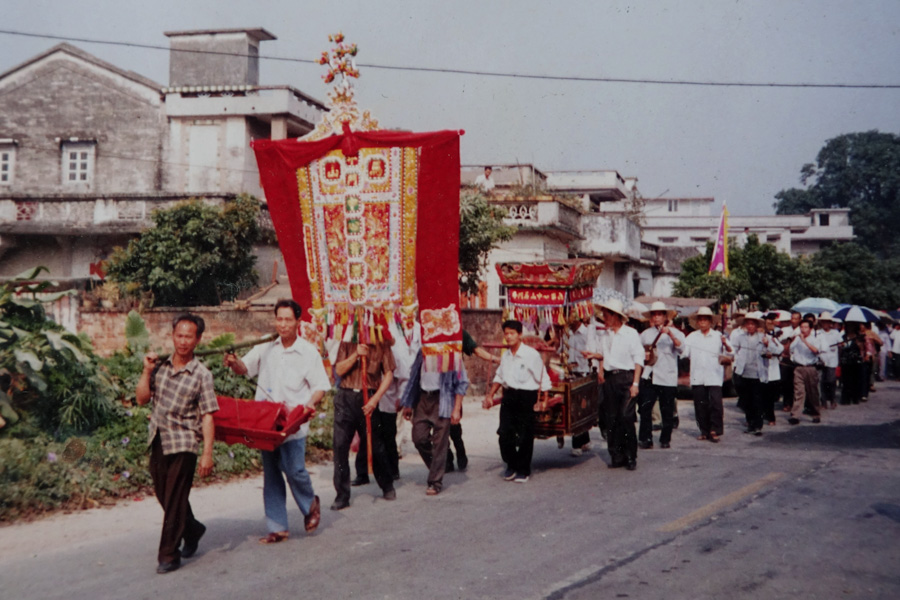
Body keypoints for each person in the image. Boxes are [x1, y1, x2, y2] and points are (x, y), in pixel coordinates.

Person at [223, 299, 331, 544]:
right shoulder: (265, 347)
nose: (282, 325)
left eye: (288, 320)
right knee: (271, 473)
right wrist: (234, 362)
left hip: (293, 423)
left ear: (297, 322)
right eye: (279, 319)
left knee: (295, 469)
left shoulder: (307, 352)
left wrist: (311, 403)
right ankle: (277, 526)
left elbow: (320, 386)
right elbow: (244, 368)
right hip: (266, 422)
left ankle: (310, 503)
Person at [136, 314, 218, 574]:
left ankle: (169, 554)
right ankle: (192, 529)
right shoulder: (159, 367)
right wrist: (146, 371)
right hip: (159, 438)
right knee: (165, 494)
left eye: (189, 336)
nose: (183, 341)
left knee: (173, 498)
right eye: (179, 335)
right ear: (172, 336)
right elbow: (141, 399)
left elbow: (207, 415)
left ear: (198, 339)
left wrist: (207, 453)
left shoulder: (202, 375)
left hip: (184, 442)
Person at [331, 332, 397, 510]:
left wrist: (375, 400)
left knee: (375, 446)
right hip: (345, 397)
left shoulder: (382, 344)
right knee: (339, 445)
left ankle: (387, 484)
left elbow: (388, 374)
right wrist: (355, 355)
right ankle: (342, 495)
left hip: (368, 399)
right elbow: (338, 370)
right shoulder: (346, 342)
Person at [482, 320, 551, 483]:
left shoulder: (531, 355)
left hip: (527, 396)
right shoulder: (506, 355)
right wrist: (490, 395)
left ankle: (523, 469)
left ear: (520, 335)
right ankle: (511, 465)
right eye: (506, 334)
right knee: (504, 433)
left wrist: (544, 400)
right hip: (510, 396)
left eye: (512, 333)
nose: (509, 337)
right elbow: (499, 376)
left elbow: (543, 377)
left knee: (526, 434)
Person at [584, 299, 644, 470]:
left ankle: (631, 456)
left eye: (607, 314)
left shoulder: (631, 334)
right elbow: (604, 355)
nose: (604, 318)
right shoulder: (605, 335)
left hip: (626, 378)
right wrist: (593, 356)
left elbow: (638, 359)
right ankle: (617, 456)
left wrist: (635, 383)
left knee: (626, 416)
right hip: (610, 379)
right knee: (611, 418)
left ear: (616, 316)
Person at [401, 352, 469, 495]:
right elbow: (414, 378)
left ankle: (435, 482)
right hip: (423, 399)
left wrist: (456, 408)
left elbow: (462, 382)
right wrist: (408, 403)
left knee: (440, 442)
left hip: (442, 398)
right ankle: (438, 466)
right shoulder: (422, 351)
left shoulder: (452, 353)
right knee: (419, 438)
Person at [637, 302, 684, 450]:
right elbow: (638, 353)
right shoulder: (645, 334)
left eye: (659, 314)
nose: (656, 317)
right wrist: (643, 356)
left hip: (667, 375)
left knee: (667, 409)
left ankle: (665, 438)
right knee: (645, 407)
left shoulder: (676, 333)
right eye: (654, 314)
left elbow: (681, 349)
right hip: (650, 374)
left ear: (665, 317)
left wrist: (669, 334)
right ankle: (646, 438)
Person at [682, 307, 731, 443]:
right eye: (700, 319)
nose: (702, 322)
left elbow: (730, 353)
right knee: (700, 404)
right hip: (698, 374)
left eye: (705, 319)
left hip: (714, 374)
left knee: (715, 403)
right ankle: (704, 430)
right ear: (697, 322)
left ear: (710, 321)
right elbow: (684, 353)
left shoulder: (718, 336)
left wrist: (725, 343)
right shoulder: (691, 337)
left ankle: (715, 430)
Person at [732, 312, 771, 435]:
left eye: (752, 324)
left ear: (756, 326)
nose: (750, 326)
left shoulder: (763, 337)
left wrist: (767, 344)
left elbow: (776, 350)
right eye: (748, 324)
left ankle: (758, 425)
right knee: (746, 400)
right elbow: (733, 350)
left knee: (757, 400)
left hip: (758, 373)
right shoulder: (741, 337)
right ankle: (750, 423)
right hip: (744, 372)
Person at [789, 320, 822, 425]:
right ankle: (795, 415)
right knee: (798, 392)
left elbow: (816, 351)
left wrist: (805, 342)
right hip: (799, 368)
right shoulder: (797, 339)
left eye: (806, 327)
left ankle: (816, 413)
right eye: (802, 327)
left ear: (810, 329)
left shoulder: (814, 339)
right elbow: (790, 349)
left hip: (810, 368)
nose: (803, 330)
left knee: (813, 392)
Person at [761, 313, 785, 426]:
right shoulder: (759, 336)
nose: (770, 324)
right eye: (768, 322)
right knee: (759, 395)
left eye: (772, 322)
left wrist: (769, 346)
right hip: (760, 368)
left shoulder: (773, 337)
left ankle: (770, 417)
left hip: (772, 369)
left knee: (770, 396)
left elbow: (780, 349)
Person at [815, 312, 842, 409]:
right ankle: (823, 401)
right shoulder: (818, 333)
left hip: (832, 360)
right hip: (821, 359)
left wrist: (839, 358)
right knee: (821, 381)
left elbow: (840, 345)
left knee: (831, 381)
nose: (825, 324)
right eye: (823, 322)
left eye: (827, 322)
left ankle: (832, 398)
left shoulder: (835, 333)